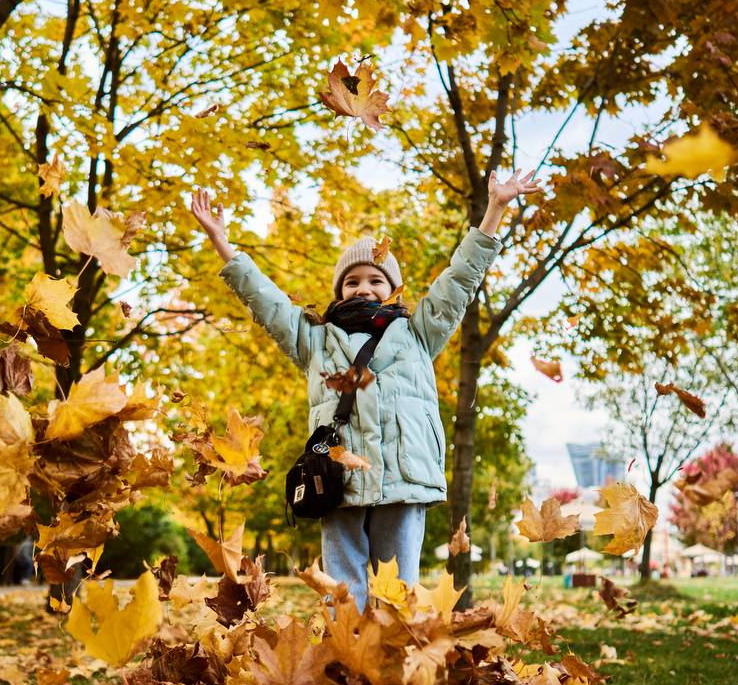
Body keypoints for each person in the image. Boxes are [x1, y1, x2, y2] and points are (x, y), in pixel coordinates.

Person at [190, 169, 543, 609]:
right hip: (337, 481)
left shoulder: (418, 333)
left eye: (375, 280)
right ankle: (346, 668)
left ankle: (394, 672)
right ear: (339, 289)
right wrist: (223, 243)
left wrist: (496, 208)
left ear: (392, 290)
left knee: (397, 595)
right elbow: (267, 302)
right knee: (344, 596)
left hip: (403, 477)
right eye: (352, 280)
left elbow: (459, 282)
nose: (363, 287)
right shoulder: (314, 339)